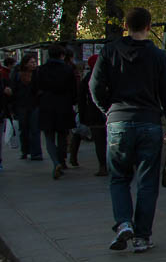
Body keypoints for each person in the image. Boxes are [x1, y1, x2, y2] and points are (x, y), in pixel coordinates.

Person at [90, 8, 166, 253]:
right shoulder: (158, 56)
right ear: (149, 26)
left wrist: (108, 109)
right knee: (147, 182)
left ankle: (123, 222)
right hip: (149, 122)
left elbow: (95, 86)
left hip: (118, 121)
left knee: (118, 177)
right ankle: (142, 236)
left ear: (125, 25)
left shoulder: (109, 51)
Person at [34, 44, 77, 179]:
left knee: (49, 136)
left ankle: (55, 162)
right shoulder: (68, 69)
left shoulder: (41, 70)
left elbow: (36, 87)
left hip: (46, 104)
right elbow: (73, 89)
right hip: (63, 104)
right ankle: (62, 160)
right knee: (63, 134)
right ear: (62, 55)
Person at [70, 55, 108, 176]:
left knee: (99, 141)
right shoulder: (111, 77)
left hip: (94, 114)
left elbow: (81, 99)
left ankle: (103, 166)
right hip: (110, 113)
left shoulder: (87, 79)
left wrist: (82, 116)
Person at [11, 56, 41, 161]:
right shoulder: (17, 75)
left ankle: (36, 153)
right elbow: (13, 89)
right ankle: (25, 151)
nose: (34, 64)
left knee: (35, 129)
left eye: (34, 62)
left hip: (34, 105)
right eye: (31, 62)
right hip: (21, 105)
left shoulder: (37, 74)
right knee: (23, 129)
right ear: (25, 64)